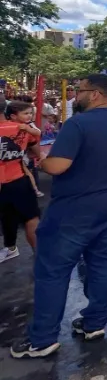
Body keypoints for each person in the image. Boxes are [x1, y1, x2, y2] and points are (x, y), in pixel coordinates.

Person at [10, 74, 107, 359]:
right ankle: (94, 323)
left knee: (53, 270)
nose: (75, 95)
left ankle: (42, 338)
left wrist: (41, 159)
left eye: (79, 90)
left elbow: (58, 166)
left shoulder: (79, 123)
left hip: (77, 206)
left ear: (95, 94)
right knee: (102, 261)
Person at [0, 101, 43, 264]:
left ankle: (10, 248)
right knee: (31, 218)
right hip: (18, 180)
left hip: (11, 181)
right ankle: (39, 254)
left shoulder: (22, 127)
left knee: (7, 217)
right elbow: (35, 146)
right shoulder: (21, 128)